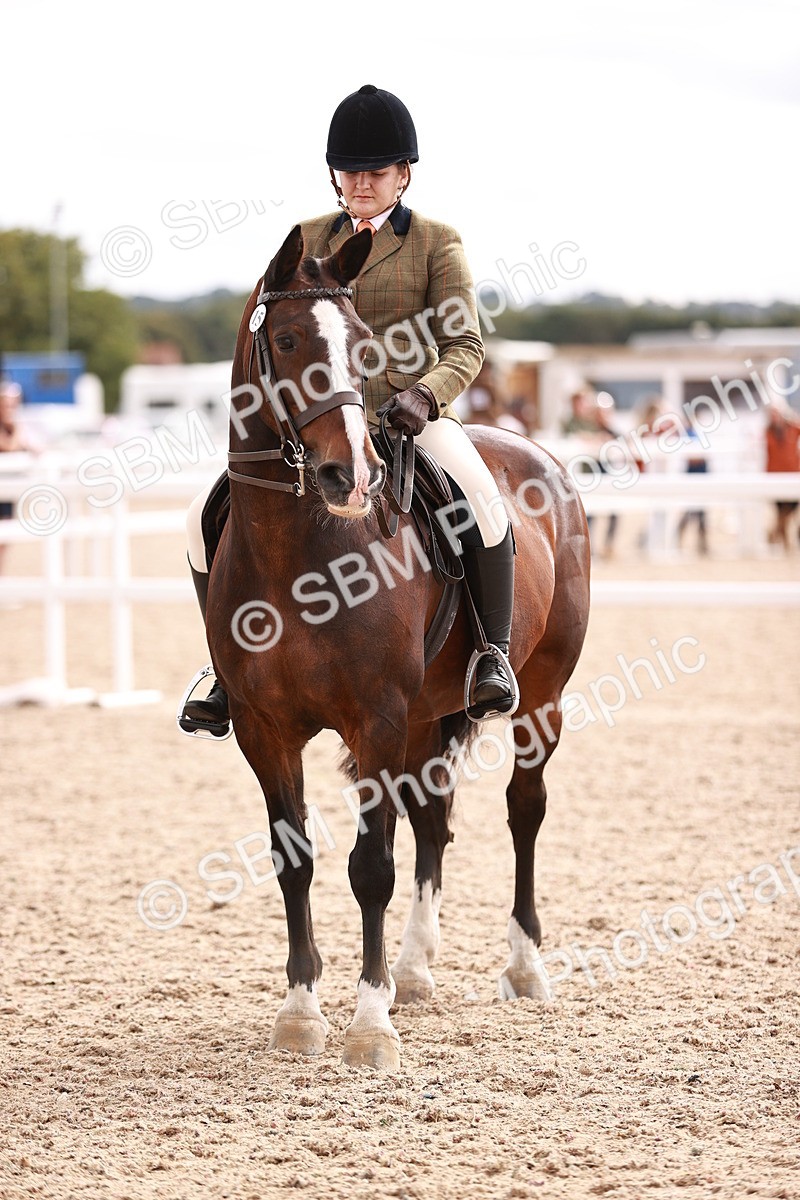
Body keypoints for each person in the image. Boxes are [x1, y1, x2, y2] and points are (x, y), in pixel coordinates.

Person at [180, 84, 517, 734]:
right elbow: (271, 332)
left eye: (376, 171)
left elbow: (465, 342)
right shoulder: (306, 239)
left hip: (409, 416)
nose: (361, 182)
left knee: (483, 500)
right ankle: (225, 673)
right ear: (335, 175)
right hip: (315, 426)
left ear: (402, 175)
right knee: (201, 517)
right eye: (351, 171)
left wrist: (425, 394)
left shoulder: (435, 242)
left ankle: (490, 656)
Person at [0, 382, 31, 575]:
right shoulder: (12, 429)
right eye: (7, 404)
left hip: (6, 492)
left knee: (5, 539)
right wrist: (18, 431)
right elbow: (10, 446)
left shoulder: (11, 427)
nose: (11, 408)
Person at [764, 402, 800, 551]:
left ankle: (774, 532)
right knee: (781, 511)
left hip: (793, 475)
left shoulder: (792, 428)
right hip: (775, 476)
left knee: (789, 510)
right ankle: (785, 544)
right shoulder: (767, 432)